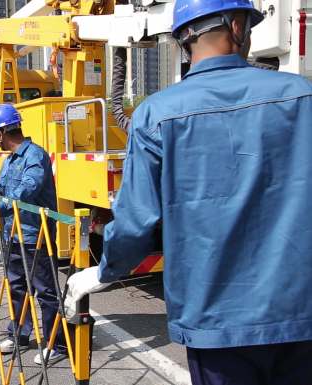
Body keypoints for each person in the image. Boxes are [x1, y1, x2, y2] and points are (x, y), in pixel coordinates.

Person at [65, 1, 312, 384]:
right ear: (236, 25)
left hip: (213, 317)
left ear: (183, 40)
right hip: (299, 311)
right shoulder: (301, 95)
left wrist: (107, 269)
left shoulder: (157, 112)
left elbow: (135, 219)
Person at [0, 104, 65, 365]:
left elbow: (28, 189)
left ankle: (56, 344)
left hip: (36, 236)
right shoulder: (10, 160)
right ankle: (19, 334)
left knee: (45, 291)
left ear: (1, 133)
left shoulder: (35, 156)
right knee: (17, 288)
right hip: (12, 234)